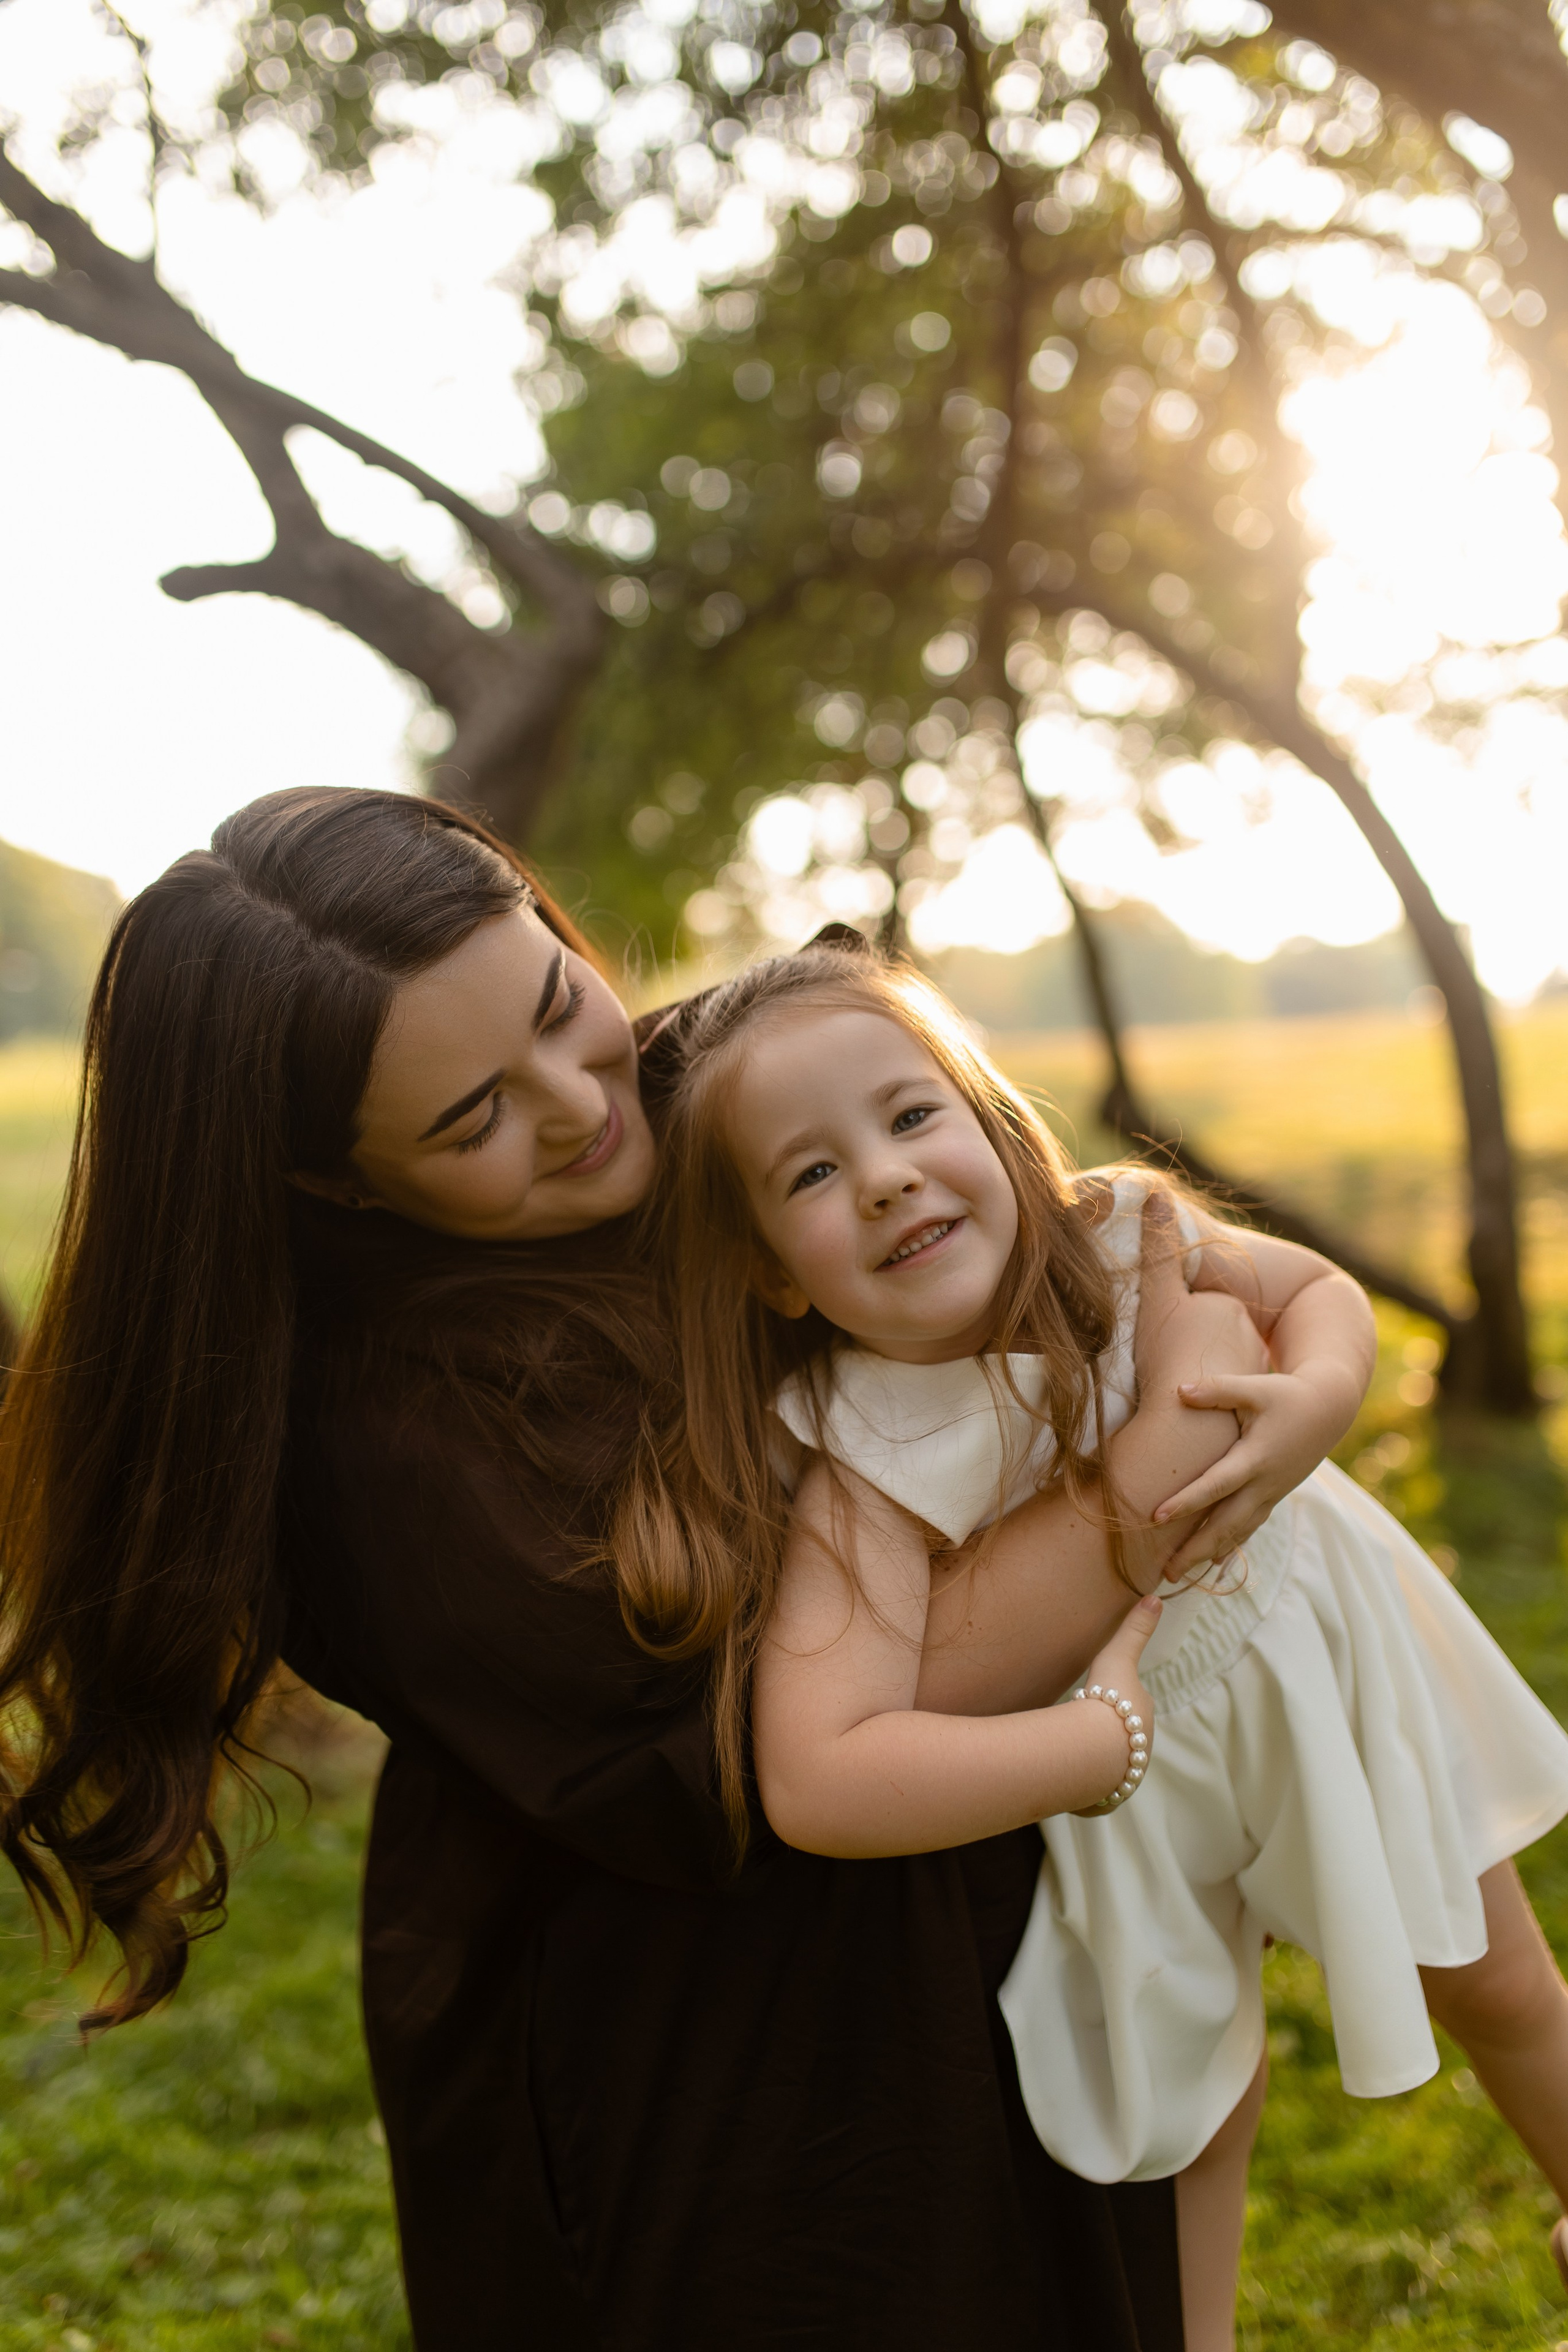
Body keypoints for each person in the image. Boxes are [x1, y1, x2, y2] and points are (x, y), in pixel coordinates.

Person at [0, 785, 1272, 2352]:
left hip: (972, 1951)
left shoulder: (710, 1104)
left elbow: (1084, 1241)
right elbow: (878, 1696)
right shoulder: (394, 1441)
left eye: (558, 1001)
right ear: (332, 1182)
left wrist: (1315, 1354)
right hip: (717, 2084)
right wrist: (1167, 1473)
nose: (579, 1102)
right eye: (472, 1119)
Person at [624, 943, 1568, 2351]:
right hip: (1121, 1781)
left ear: (992, 1123)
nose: (881, 1176)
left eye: (907, 1115)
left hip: (1310, 1653)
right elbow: (818, 1775)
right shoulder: (855, 1461)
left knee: (1494, 1977)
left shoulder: (1124, 1237)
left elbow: (1312, 1294)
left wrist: (1310, 1400)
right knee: (1196, 2107)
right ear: (769, 1273)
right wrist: (1089, 1745)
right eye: (810, 1175)